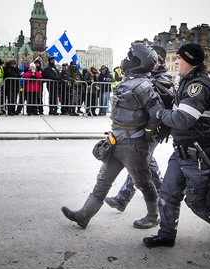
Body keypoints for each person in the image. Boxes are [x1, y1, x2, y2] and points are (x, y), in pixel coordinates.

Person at [143, 43, 210, 248]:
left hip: (199, 157)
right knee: (168, 194)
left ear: (191, 60)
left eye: (179, 58)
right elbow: (179, 115)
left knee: (199, 206)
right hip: (182, 153)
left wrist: (159, 114)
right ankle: (167, 235)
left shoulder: (198, 86)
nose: (176, 61)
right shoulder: (187, 82)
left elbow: (183, 119)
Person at [61, 44, 162, 230]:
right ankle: (84, 215)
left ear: (139, 62)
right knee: (103, 180)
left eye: (130, 57)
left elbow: (156, 115)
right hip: (116, 141)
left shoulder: (145, 86)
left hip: (133, 144)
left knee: (143, 182)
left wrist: (147, 133)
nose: (126, 60)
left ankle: (154, 216)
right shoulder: (130, 81)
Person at [105, 46, 175, 229]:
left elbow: (157, 110)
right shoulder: (149, 76)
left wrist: (152, 130)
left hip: (149, 132)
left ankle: (151, 206)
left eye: (156, 59)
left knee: (140, 168)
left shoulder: (160, 78)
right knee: (146, 166)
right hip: (141, 132)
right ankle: (157, 196)